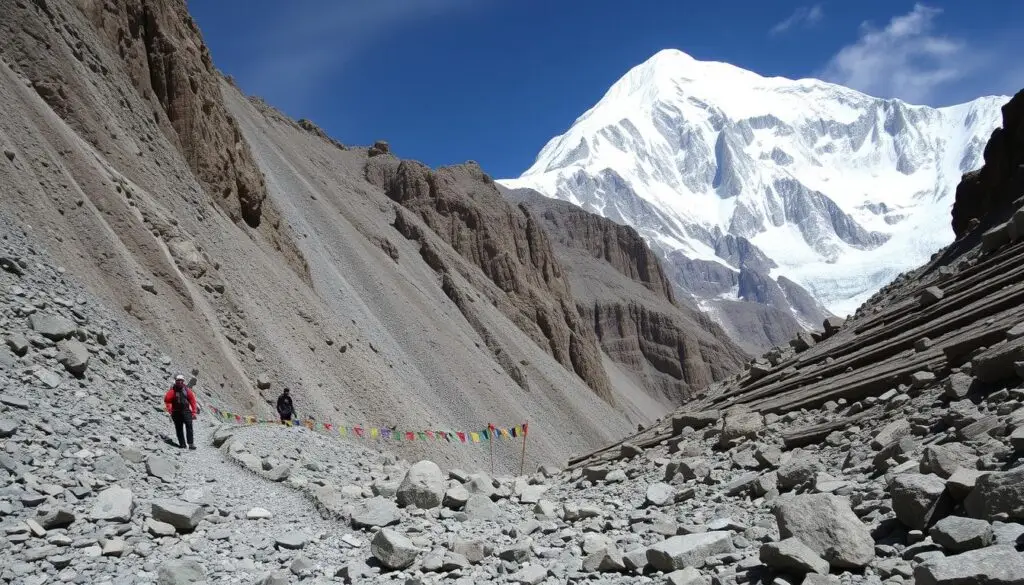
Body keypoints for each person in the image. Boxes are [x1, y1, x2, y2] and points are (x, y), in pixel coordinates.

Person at [164, 375, 199, 449]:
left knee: (189, 427)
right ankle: (182, 444)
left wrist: (194, 412)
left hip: (186, 411)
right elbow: (167, 401)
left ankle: (191, 444)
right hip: (176, 412)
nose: (179, 382)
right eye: (178, 381)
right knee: (179, 428)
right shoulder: (172, 391)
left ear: (183, 382)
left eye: (181, 381)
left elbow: (192, 401)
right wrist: (170, 410)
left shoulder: (187, 391)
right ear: (176, 381)